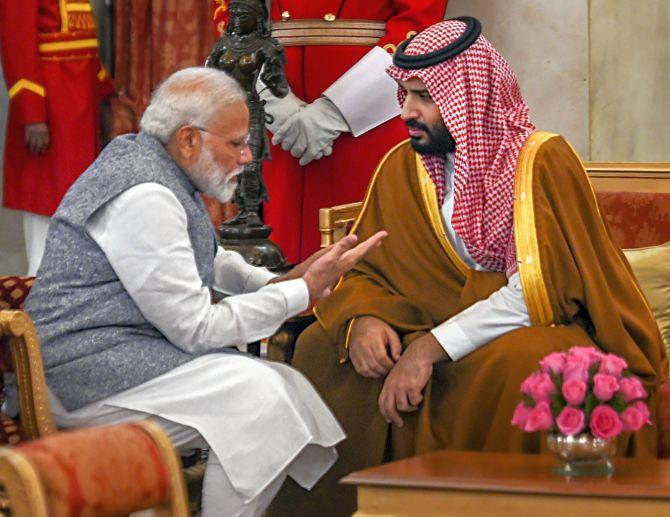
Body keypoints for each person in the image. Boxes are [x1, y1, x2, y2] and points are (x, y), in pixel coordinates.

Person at [268, 17, 667, 516]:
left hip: (536, 322)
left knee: (521, 366)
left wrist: (429, 350)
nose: (407, 111)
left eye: (424, 97)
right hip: (430, 316)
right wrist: (361, 321)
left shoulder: (540, 162)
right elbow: (366, 267)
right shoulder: (401, 166)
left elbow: (535, 291)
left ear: (470, 98)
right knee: (320, 348)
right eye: (405, 94)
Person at [10, 67, 386, 517]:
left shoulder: (151, 162)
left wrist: (276, 282)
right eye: (235, 143)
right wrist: (298, 294)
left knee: (277, 388)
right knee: (257, 402)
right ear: (188, 139)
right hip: (80, 378)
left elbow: (202, 257)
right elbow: (194, 327)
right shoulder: (144, 193)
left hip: (121, 358)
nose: (248, 156)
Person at [215, 0, 448, 263]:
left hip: (369, 112)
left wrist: (338, 110)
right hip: (281, 102)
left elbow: (417, 23)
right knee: (283, 245)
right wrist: (269, 96)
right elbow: (235, 12)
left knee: (364, 255)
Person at [0, 0, 115, 275]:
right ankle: (40, 285)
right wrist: (32, 114)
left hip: (79, 103)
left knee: (79, 198)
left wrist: (104, 91)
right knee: (45, 198)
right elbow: (17, 44)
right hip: (49, 107)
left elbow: (83, 42)